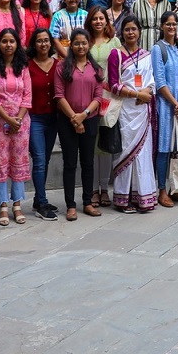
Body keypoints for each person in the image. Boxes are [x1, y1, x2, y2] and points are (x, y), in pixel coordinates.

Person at [105, 18, 157, 213]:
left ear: (139, 31)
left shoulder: (146, 55)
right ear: (122, 32)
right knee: (126, 153)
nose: (130, 33)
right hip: (125, 110)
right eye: (127, 29)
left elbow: (151, 80)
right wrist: (137, 94)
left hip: (142, 110)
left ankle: (142, 197)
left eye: (134, 29)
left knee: (142, 154)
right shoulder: (115, 54)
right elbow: (113, 85)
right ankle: (122, 199)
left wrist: (147, 92)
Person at [54, 28, 103, 218]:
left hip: (89, 120)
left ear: (89, 44)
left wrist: (83, 115)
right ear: (71, 45)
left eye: (84, 43)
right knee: (70, 163)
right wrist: (74, 118)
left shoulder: (95, 69)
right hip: (67, 121)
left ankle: (88, 202)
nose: (80, 46)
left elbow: (98, 97)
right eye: (76, 43)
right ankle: (70, 205)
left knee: (88, 162)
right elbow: (59, 96)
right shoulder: (62, 67)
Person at [0, 27, 31, 225]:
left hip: (21, 122)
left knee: (18, 161)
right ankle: (3, 204)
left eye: (12, 41)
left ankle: (17, 204)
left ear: (17, 44)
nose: (8, 45)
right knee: (1, 162)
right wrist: (8, 119)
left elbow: (27, 97)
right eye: (4, 41)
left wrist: (17, 120)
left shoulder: (23, 66)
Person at [149, 13, 178, 209]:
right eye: (168, 24)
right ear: (162, 26)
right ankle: (162, 190)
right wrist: (175, 103)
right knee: (164, 148)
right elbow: (159, 82)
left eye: (174, 24)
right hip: (166, 107)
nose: (172, 27)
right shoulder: (158, 49)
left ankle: (177, 188)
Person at [25, 29, 63, 219]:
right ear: (34, 44)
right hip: (35, 118)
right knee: (39, 160)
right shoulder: (28, 66)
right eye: (39, 41)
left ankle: (38, 200)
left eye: (46, 40)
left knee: (45, 159)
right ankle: (42, 203)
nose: (43, 44)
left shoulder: (58, 65)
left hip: (53, 118)